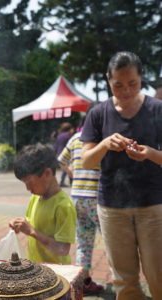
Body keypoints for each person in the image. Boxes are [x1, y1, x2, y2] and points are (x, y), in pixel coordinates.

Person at [80, 51, 162, 300]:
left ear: (141, 79)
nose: (125, 91)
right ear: (108, 79)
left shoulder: (157, 109)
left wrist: (150, 154)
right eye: (118, 85)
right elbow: (86, 161)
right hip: (112, 208)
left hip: (153, 206)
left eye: (132, 84)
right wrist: (104, 144)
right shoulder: (98, 113)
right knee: (123, 279)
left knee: (158, 274)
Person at [58, 110, 104, 296]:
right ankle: (122, 285)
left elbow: (61, 160)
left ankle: (82, 283)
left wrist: (72, 174)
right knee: (113, 244)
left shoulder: (75, 137)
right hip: (97, 198)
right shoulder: (103, 138)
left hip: (77, 197)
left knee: (84, 244)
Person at [9, 144, 76, 264]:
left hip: (56, 272)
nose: (28, 188)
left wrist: (32, 232)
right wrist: (20, 224)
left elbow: (62, 249)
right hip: (36, 267)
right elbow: (32, 224)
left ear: (47, 173)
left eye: (30, 182)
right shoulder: (35, 198)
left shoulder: (63, 206)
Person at [54, 122, 75, 186]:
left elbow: (56, 145)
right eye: (72, 129)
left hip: (59, 153)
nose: (73, 130)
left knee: (65, 167)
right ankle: (64, 181)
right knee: (67, 168)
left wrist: (55, 152)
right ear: (69, 129)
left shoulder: (59, 135)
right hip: (66, 153)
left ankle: (69, 181)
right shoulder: (68, 136)